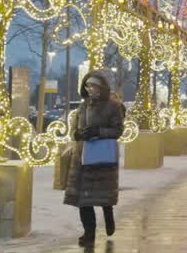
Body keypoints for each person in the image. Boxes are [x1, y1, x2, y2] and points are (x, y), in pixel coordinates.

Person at [63, 71, 125, 245]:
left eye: (94, 86)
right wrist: (77, 133)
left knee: (103, 196)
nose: (90, 89)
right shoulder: (82, 107)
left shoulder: (113, 106)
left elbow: (118, 130)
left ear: (102, 87)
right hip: (83, 159)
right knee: (84, 200)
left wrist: (98, 132)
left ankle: (108, 211)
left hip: (102, 160)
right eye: (88, 86)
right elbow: (74, 128)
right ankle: (88, 234)